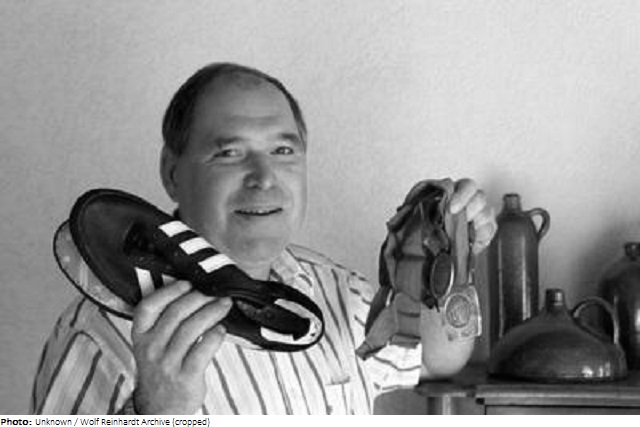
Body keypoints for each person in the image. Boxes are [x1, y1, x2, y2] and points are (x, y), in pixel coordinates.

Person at [30, 63, 496, 415]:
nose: (264, 177)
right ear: (171, 173)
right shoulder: (97, 334)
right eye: (230, 153)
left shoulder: (338, 291)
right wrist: (158, 412)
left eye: (283, 150)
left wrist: (454, 250)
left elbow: (436, 360)